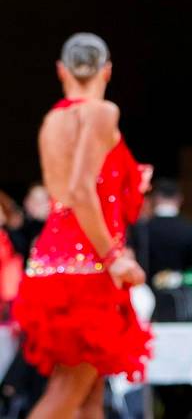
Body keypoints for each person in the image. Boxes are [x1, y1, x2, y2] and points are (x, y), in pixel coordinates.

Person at [11, 33, 152, 419]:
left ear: (61, 71)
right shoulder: (101, 112)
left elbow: (67, 195)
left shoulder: (52, 121)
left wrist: (128, 182)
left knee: (88, 396)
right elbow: (80, 190)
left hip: (49, 268)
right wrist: (115, 257)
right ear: (107, 69)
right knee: (66, 394)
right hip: (88, 269)